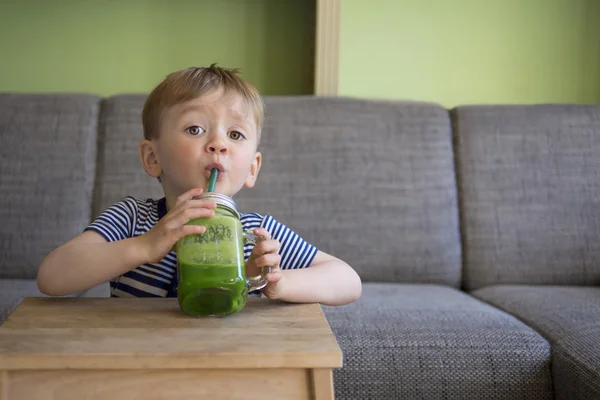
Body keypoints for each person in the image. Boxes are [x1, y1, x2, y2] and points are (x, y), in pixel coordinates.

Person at [37, 64, 362, 306]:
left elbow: (348, 281)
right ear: (152, 157)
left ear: (252, 168)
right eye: (194, 129)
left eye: (235, 135)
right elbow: (52, 277)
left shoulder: (254, 232)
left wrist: (277, 282)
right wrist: (145, 246)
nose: (218, 143)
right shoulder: (133, 220)